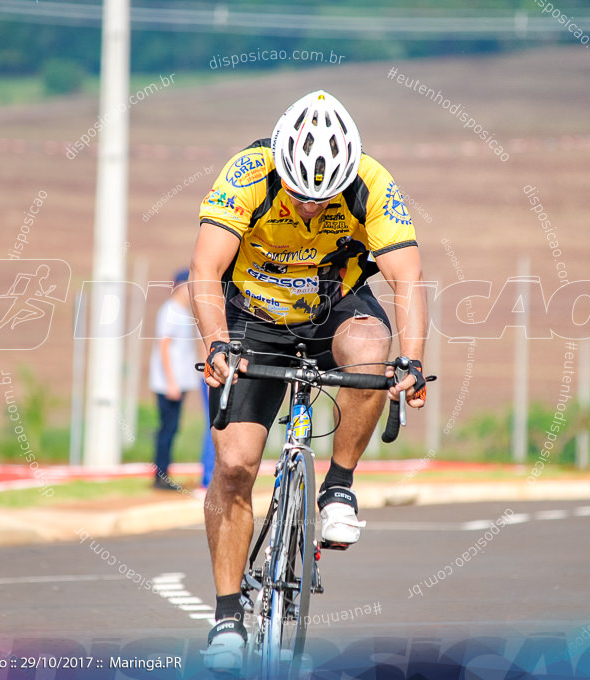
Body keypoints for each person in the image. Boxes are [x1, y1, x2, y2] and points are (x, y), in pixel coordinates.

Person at [189, 90, 429, 671]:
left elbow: (408, 280)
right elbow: (205, 268)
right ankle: (226, 618)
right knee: (236, 465)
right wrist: (219, 346)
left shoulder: (373, 183)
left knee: (373, 349)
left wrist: (413, 362)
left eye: (324, 200)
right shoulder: (248, 172)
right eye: (299, 195)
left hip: (334, 304)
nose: (309, 209)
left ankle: (339, 485)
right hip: (251, 314)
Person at [148, 268, 200, 491]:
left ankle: (163, 473)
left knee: (172, 428)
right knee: (167, 429)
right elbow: (164, 346)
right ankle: (160, 476)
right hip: (169, 383)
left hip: (179, 381)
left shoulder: (183, 312)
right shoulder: (170, 312)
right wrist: (171, 381)